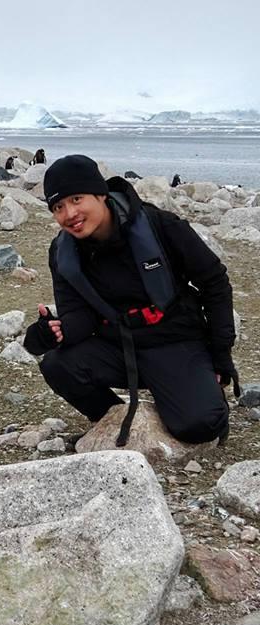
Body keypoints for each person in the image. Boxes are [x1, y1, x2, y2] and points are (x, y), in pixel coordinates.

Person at [23, 154, 238, 447]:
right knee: (58, 365)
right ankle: (114, 418)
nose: (69, 213)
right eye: (58, 207)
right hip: (119, 345)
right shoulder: (63, 252)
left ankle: (202, 397)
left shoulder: (160, 226)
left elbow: (215, 283)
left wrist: (220, 354)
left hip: (174, 340)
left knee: (200, 425)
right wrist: (54, 332)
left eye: (76, 199)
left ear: (100, 194)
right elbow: (79, 315)